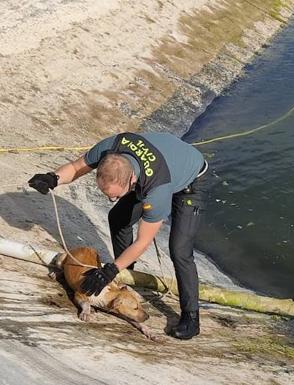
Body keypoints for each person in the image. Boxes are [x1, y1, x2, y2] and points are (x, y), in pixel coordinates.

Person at [28, 132, 209, 340]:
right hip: (156, 169)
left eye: (115, 194)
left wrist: (110, 270)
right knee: (118, 217)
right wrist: (53, 178)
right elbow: (77, 167)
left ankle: (191, 318)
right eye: (107, 194)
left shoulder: (156, 190)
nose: (111, 198)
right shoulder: (109, 148)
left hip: (189, 183)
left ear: (131, 179)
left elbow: (143, 242)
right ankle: (126, 279)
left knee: (180, 249)